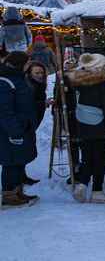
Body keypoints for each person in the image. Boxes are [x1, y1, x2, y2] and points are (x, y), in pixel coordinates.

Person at [67, 53, 105, 203]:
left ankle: (82, 186)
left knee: (88, 158)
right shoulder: (104, 84)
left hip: (83, 124)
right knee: (100, 160)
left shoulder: (79, 82)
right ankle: (97, 191)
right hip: (100, 126)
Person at [0, 51, 38, 208]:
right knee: (11, 163)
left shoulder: (19, 78)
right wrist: (14, 131)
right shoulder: (5, 81)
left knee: (19, 161)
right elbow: (4, 110)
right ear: (18, 63)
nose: (29, 66)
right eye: (27, 63)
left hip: (23, 127)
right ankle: (8, 196)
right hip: (10, 131)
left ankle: (17, 192)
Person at [15, 60, 49, 188]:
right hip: (26, 121)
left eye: (42, 73)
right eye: (37, 73)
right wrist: (44, 104)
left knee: (25, 148)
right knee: (21, 149)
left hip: (33, 120)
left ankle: (21, 175)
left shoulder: (38, 83)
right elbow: (26, 105)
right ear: (30, 73)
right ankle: (19, 177)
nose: (40, 75)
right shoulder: (28, 85)